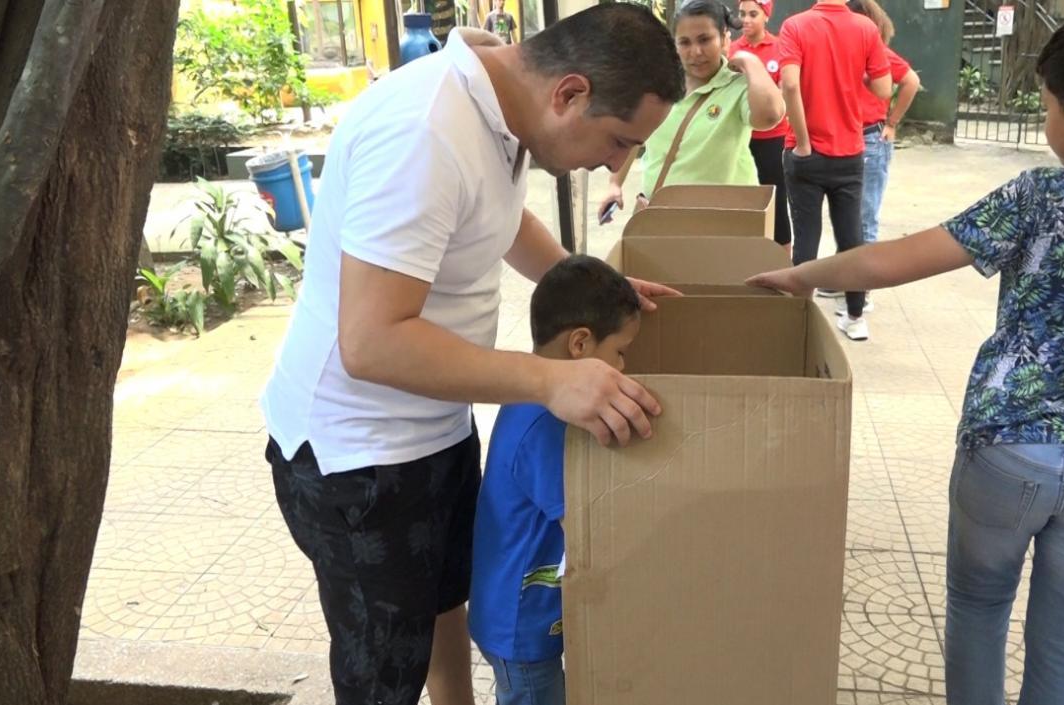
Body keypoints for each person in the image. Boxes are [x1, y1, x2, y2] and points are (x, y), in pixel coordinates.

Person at [749, 8, 1064, 704]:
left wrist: (804, 273)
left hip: (1009, 448)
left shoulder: (1039, 195)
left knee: (978, 608)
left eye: (1043, 109)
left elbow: (899, 259)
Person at [260, 6, 685, 705]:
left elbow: (502, 214)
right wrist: (549, 379)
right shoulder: (424, 131)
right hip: (359, 459)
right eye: (618, 140)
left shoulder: (501, 104)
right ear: (569, 93)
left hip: (433, 422)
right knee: (382, 675)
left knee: (444, 602)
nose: (617, 163)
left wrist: (588, 285)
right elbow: (370, 341)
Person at [468, 255, 641, 705]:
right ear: (581, 344)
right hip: (520, 629)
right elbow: (586, 533)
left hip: (526, 616)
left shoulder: (536, 398)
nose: (623, 368)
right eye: (620, 352)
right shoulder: (543, 426)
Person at [598, 0, 785, 218]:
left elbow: (770, 116)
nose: (695, 52)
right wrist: (614, 184)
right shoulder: (658, 85)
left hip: (723, 221)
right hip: (661, 216)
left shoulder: (737, 86)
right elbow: (634, 135)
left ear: (725, 37)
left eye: (705, 39)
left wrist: (749, 60)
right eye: (684, 42)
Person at [777, 0, 891, 341]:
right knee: (851, 238)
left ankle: (799, 321)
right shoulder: (866, 28)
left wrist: (803, 142)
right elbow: (885, 89)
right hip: (850, 152)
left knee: (806, 239)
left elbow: (790, 85)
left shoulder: (794, 26)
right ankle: (855, 317)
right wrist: (855, 71)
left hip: (805, 154)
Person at [839, 0, 919, 315]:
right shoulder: (845, 54)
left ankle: (863, 290)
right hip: (845, 138)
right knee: (845, 215)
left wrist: (892, 124)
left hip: (870, 138)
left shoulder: (877, 53)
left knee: (865, 216)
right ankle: (847, 278)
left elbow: (910, 80)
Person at [729, 0, 794, 252]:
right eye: (742, 14)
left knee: (776, 199)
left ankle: (781, 256)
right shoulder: (732, 51)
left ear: (766, 16)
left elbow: (785, 93)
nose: (746, 20)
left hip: (773, 137)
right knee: (741, 197)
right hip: (740, 136)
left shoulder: (780, 48)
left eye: (753, 14)